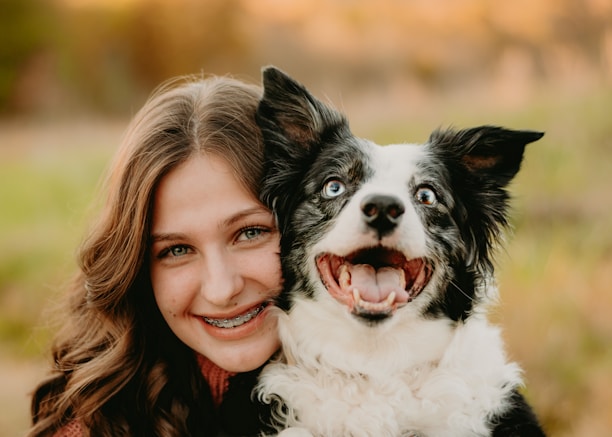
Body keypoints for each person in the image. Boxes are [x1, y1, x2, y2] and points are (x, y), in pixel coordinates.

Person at [29, 74, 283, 436]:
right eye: (177, 250)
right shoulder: (98, 424)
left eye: (250, 232)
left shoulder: (388, 389)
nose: (222, 289)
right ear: (136, 269)